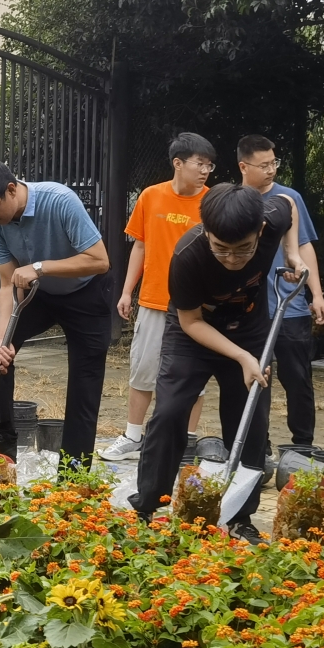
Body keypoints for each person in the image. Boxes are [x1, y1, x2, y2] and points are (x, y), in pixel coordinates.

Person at [129, 183, 307, 544]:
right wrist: (242, 357)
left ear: (259, 231)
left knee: (250, 419)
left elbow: (288, 204)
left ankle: (241, 517)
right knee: (170, 412)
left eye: (243, 249)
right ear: (206, 232)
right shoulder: (188, 256)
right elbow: (191, 322)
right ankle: (148, 504)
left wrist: (293, 255)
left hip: (250, 331)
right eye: (221, 249)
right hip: (192, 334)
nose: (232, 259)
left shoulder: (269, 220)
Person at [0, 158, 112, 465]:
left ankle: (74, 470)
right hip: (39, 296)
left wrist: (41, 267)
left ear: (11, 190)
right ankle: (3, 442)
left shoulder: (59, 201)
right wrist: (4, 340)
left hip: (85, 295)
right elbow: (7, 283)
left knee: (85, 383)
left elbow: (99, 261)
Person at [100, 132, 215, 463]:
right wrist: (126, 291)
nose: (206, 170)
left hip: (195, 306)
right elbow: (140, 245)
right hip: (152, 301)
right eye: (200, 163)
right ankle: (133, 436)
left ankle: (187, 442)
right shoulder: (151, 196)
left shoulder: (212, 203)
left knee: (193, 375)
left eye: (210, 165)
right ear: (178, 164)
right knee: (143, 368)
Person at [237, 135, 324, 446]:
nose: (271, 170)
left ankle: (303, 445)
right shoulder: (233, 201)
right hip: (249, 308)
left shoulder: (289, 199)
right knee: (254, 379)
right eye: (263, 165)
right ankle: (256, 447)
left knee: (297, 377)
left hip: (289, 306)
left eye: (273, 163)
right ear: (243, 166)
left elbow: (303, 247)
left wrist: (315, 294)